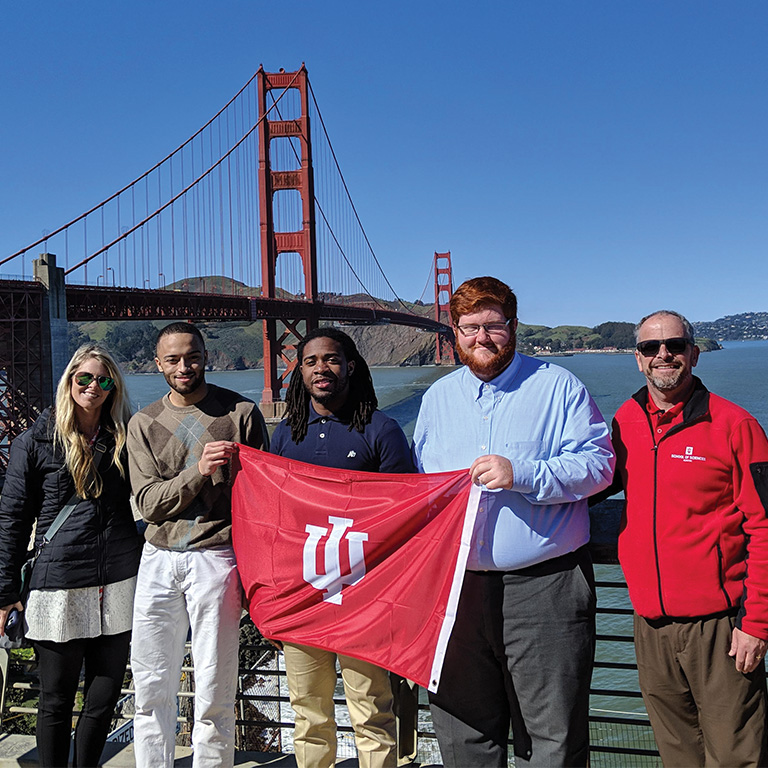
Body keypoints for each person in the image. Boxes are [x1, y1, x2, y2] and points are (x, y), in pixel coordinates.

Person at [412, 276, 615, 768]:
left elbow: (599, 465)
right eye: (469, 327)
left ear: (514, 327)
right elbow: (418, 483)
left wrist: (521, 474)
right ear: (454, 333)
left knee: (550, 736)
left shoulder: (558, 386)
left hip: (544, 586)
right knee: (462, 733)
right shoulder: (437, 398)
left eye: (493, 326)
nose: (481, 338)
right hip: (456, 587)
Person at [608, 310, 768, 767]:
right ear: (637, 360)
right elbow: (587, 481)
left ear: (694, 355)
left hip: (720, 629)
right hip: (650, 625)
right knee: (676, 754)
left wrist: (756, 623)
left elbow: (764, 526)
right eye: (650, 348)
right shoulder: (625, 422)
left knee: (738, 756)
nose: (663, 355)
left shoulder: (736, 426)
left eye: (674, 346)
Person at [270, 326, 413, 768]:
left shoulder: (382, 430)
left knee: (372, 713)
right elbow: (273, 523)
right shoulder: (284, 435)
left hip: (363, 600)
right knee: (308, 716)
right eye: (310, 361)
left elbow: (405, 518)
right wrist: (275, 603)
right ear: (301, 372)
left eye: (331, 359)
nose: (321, 369)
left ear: (351, 366)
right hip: (303, 598)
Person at [127, 322, 268, 768]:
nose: (184, 366)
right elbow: (148, 504)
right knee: (150, 683)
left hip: (216, 556)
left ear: (206, 355)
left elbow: (261, 501)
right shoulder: (143, 422)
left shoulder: (242, 414)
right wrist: (199, 472)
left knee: (214, 681)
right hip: (158, 557)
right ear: (158, 364)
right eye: (173, 359)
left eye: (192, 356)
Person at [0, 344, 141, 768]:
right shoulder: (36, 441)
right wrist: (5, 592)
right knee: (55, 701)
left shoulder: (126, 436)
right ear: (69, 381)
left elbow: (154, 494)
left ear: (114, 386)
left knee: (103, 699)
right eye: (84, 378)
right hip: (56, 587)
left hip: (117, 585)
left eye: (103, 379)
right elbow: (11, 519)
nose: (93, 387)